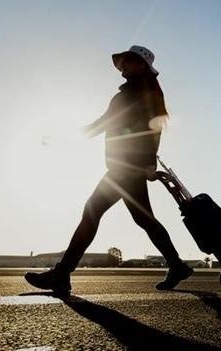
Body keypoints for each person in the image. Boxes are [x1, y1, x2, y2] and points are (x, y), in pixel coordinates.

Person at [24, 45, 193, 294]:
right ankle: (177, 265)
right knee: (142, 219)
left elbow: (145, 128)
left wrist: (146, 163)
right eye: (121, 62)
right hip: (124, 166)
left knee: (92, 212)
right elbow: (108, 124)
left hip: (127, 167)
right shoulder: (134, 92)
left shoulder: (138, 93)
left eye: (127, 61)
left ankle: (62, 274)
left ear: (141, 65)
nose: (122, 66)